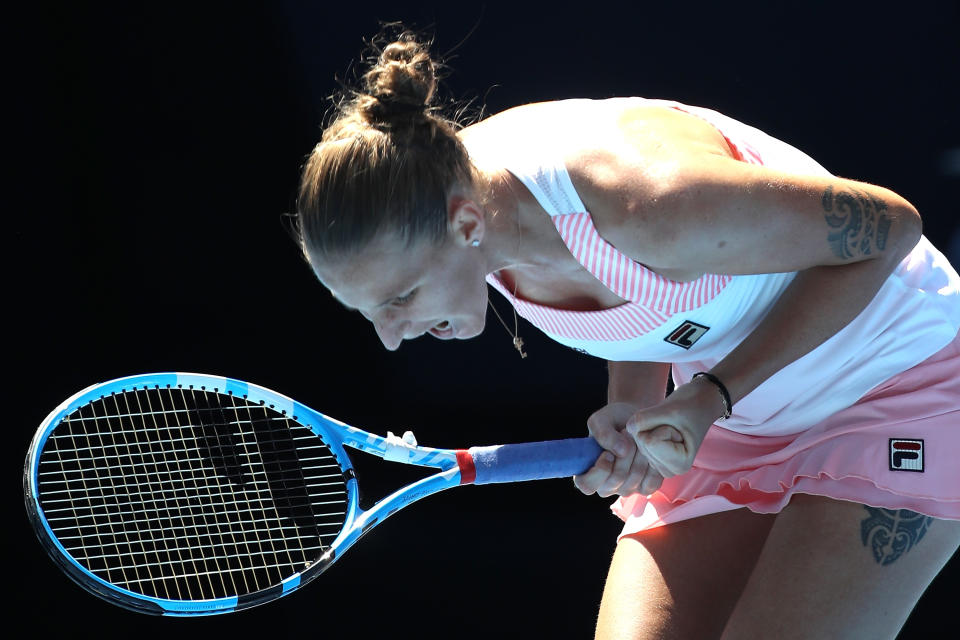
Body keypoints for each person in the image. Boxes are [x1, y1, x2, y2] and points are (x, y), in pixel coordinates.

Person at [293, 32, 960, 639]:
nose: (390, 336)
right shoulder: (451, 195)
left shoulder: (655, 204)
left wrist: (713, 395)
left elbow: (891, 232)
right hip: (738, 417)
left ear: (467, 225)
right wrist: (638, 405)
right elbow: (645, 314)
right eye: (367, 310)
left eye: (401, 297)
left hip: (901, 385)